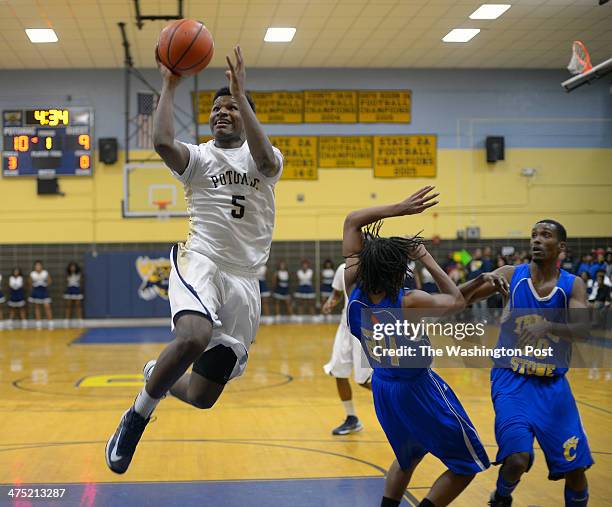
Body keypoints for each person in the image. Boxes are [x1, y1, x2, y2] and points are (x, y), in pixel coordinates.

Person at [105, 45, 283, 474]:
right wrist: (169, 84)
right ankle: (137, 416)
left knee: (203, 396)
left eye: (231, 108)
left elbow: (262, 159)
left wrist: (241, 94)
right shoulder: (200, 158)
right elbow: (164, 141)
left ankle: (157, 375)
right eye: (216, 108)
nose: (222, 112)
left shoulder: (266, 159)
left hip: (244, 280)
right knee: (192, 336)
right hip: (201, 261)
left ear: (245, 113)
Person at [344, 186, 490, 507]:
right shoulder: (408, 301)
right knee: (467, 465)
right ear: (400, 271)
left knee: (406, 459)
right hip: (418, 389)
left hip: (384, 388)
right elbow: (455, 300)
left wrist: (398, 207)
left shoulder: (353, 290)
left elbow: (353, 220)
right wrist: (425, 257)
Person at [458, 220, 594, 507]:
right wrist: (478, 280)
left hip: (553, 386)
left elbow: (582, 329)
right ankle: (502, 497)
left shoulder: (573, 284)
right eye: (533, 235)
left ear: (561, 247)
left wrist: (550, 326)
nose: (536, 240)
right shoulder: (510, 275)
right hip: (511, 380)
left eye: (545, 235)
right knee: (518, 459)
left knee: (575, 469)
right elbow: (458, 299)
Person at [322, 262, 372, 435]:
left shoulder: (374, 268)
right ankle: (352, 418)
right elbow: (336, 293)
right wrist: (331, 302)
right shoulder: (342, 269)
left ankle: (404, 408)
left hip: (367, 326)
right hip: (345, 325)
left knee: (365, 380)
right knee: (338, 371)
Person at [29, 260, 53, 329]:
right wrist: (34, 287)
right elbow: (30, 282)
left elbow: (49, 281)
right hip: (36, 291)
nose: (38, 266)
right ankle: (38, 324)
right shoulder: (32, 273)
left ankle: (50, 323)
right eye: (36, 265)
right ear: (34, 266)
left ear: (41, 266)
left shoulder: (45, 273)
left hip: (44, 291)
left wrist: (44, 285)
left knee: (47, 306)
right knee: (37, 307)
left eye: (39, 265)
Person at [63, 261, 83, 326]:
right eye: (71, 267)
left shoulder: (79, 274)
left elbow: (80, 282)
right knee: (68, 305)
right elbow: (66, 282)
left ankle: (80, 320)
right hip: (70, 289)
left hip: (76, 289)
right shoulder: (68, 274)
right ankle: (67, 320)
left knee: (78, 305)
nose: (72, 268)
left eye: (74, 267)